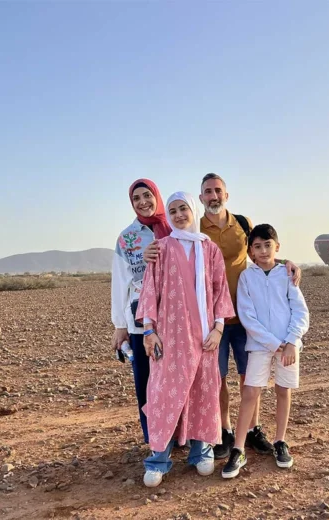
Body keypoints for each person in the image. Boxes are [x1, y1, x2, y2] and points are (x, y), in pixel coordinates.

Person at [144, 173, 303, 459]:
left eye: (218, 190)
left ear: (226, 195)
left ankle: (254, 429)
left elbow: (262, 250)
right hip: (208, 321)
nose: (213, 196)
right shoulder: (194, 226)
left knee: (248, 377)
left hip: (245, 317)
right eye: (207, 191)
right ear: (200, 197)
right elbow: (167, 251)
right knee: (216, 377)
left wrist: (284, 263)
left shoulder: (243, 224)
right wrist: (149, 253)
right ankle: (225, 431)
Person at [135, 191, 236, 488]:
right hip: (170, 336)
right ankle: (158, 459)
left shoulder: (210, 249)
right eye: (173, 210)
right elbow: (150, 290)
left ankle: (200, 450)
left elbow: (219, 290)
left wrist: (218, 329)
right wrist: (149, 331)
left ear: (193, 211)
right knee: (163, 392)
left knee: (202, 391)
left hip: (205, 338)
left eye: (184, 209)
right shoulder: (161, 248)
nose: (179, 215)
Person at [222, 224, 310, 478]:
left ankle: (280, 441)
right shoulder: (247, 277)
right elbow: (247, 317)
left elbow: (300, 311)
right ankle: (238, 448)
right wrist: (274, 343)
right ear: (250, 251)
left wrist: (292, 341)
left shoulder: (287, 274)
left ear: (277, 247)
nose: (263, 251)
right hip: (261, 345)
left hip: (289, 346)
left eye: (267, 245)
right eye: (257, 247)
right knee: (251, 391)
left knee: (283, 390)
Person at [111, 178, 173, 444]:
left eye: (147, 195)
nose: (143, 202)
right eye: (136, 199)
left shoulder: (175, 229)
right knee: (146, 383)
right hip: (140, 324)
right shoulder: (127, 238)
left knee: (174, 379)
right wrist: (119, 325)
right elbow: (120, 281)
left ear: (157, 196)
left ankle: (179, 434)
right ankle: (155, 439)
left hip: (175, 320)